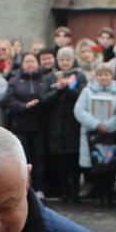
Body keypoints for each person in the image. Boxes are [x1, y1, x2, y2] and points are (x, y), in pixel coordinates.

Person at [74, 61, 116, 205]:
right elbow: (79, 110)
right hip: (93, 134)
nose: (103, 77)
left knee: (110, 165)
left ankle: (109, 195)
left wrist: (108, 125)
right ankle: (98, 194)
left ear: (112, 76)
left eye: (107, 74)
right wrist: (96, 124)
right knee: (96, 166)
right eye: (100, 74)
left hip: (111, 134)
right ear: (96, 76)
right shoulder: (87, 91)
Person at [44, 47, 86, 204]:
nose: (65, 63)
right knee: (59, 160)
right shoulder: (51, 77)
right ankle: (63, 191)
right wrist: (58, 89)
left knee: (73, 159)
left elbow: (81, 96)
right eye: (62, 60)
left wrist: (68, 87)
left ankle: (75, 191)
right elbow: (45, 98)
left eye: (68, 59)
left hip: (73, 123)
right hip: (56, 124)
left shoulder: (79, 76)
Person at [5, 52, 50, 197]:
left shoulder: (45, 80)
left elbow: (50, 97)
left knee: (39, 158)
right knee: (23, 158)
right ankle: (23, 187)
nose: (30, 64)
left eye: (33, 61)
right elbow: (9, 101)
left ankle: (39, 188)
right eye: (27, 61)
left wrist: (40, 102)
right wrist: (24, 106)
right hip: (20, 125)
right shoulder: (14, 80)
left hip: (40, 124)